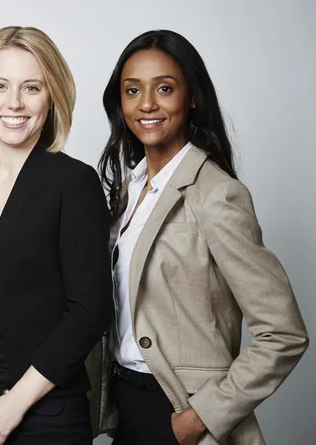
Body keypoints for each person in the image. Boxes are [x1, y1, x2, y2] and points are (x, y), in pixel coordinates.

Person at [97, 29, 309, 445]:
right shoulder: (128, 191)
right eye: (132, 90)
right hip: (126, 404)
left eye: (164, 88)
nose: (147, 104)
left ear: (191, 97)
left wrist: (200, 418)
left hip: (179, 411)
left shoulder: (217, 194)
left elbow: (284, 333)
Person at [0, 26, 113, 445]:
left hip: (46, 404)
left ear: (53, 96)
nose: (14, 103)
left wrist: (17, 402)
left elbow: (89, 310)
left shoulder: (74, 183)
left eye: (32, 87)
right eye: (0, 86)